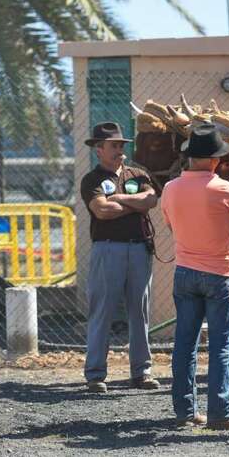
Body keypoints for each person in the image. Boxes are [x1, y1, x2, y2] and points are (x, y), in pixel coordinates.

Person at [161, 123, 229, 430]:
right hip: (219, 274)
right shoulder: (223, 189)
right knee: (221, 346)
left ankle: (185, 411)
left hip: (185, 272)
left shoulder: (170, 189)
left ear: (189, 156)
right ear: (215, 160)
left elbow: (171, 225)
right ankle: (221, 413)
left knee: (185, 345)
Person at [80, 121, 160, 393]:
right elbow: (101, 211)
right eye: (114, 146)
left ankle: (142, 372)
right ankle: (95, 375)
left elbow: (151, 200)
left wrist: (120, 198)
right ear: (98, 149)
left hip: (139, 248)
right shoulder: (91, 180)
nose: (120, 150)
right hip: (108, 248)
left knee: (140, 312)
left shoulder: (137, 173)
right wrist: (133, 205)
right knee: (102, 310)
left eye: (121, 145)